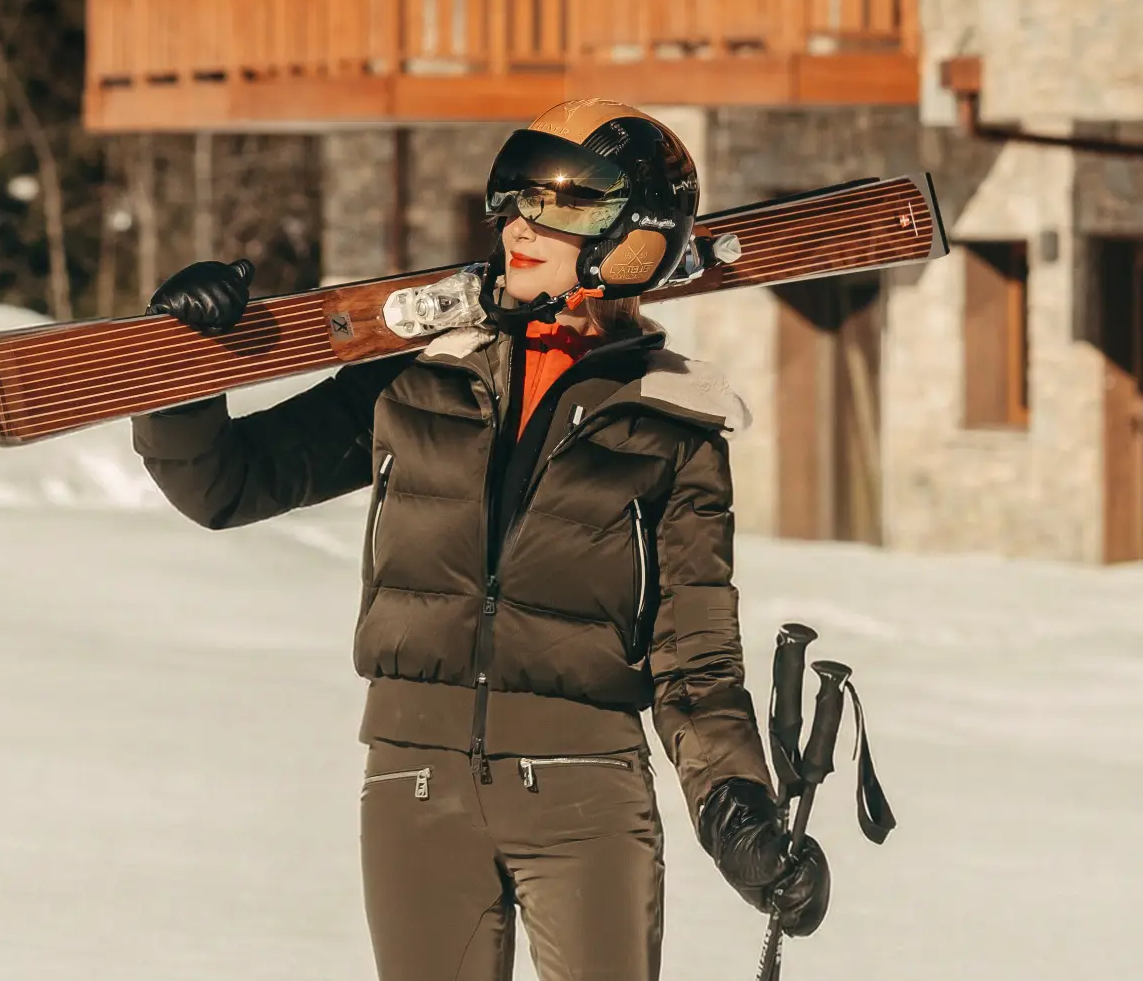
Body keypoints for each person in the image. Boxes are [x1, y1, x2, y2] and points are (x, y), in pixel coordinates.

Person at [133, 99, 828, 981]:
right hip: (415, 792)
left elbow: (693, 660)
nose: (520, 225)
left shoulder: (672, 424)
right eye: (517, 197)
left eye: (564, 208)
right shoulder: (416, 374)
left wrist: (740, 814)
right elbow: (223, 482)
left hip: (587, 798)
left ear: (635, 240)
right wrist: (180, 369)